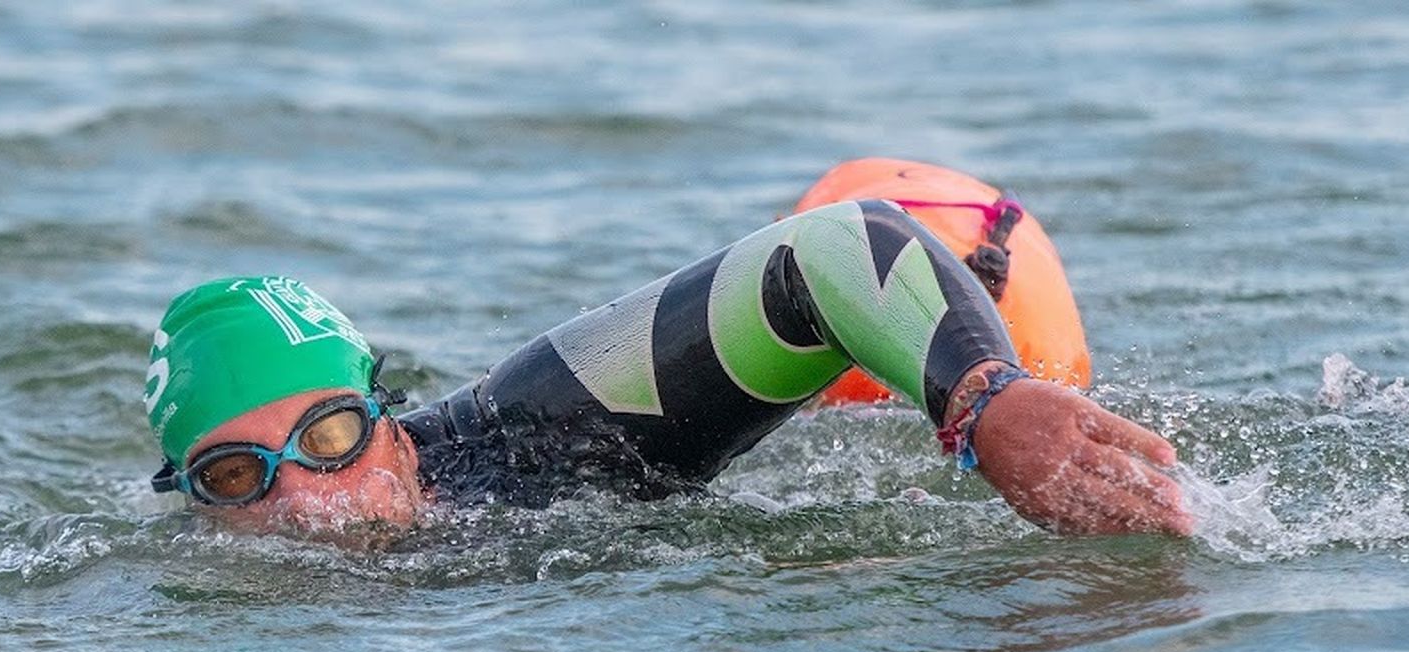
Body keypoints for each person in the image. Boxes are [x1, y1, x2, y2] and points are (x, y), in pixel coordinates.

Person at [144, 189, 1191, 537]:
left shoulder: (541, 435)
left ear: (385, 413)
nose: (307, 502)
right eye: (235, 476)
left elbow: (835, 246)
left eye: (329, 437)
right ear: (194, 499)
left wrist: (985, 400)